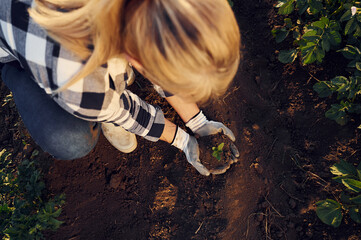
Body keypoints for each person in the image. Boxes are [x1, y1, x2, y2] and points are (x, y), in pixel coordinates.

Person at [0, 0, 241, 176]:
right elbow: (124, 111)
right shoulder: (77, 79)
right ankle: (14, 73)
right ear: (136, 59)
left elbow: (161, 32)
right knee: (71, 139)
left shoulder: (147, 15)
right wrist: (181, 140)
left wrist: (197, 122)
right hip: (17, 40)